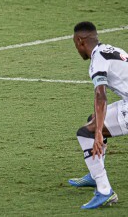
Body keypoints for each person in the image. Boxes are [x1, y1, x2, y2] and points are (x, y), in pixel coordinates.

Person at [67, 21, 128, 209]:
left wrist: (99, 133)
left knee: (86, 133)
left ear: (80, 41)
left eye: (75, 44)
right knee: (93, 121)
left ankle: (104, 190)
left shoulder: (98, 59)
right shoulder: (112, 50)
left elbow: (100, 96)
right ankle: (95, 175)